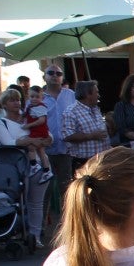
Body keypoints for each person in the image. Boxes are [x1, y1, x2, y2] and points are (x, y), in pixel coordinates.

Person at [0, 88, 55, 246]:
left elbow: (48, 136)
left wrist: (36, 141)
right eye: (12, 100)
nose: (16, 103)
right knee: (20, 201)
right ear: (4, 104)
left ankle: (35, 236)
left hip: (40, 164)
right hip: (17, 169)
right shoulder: (1, 123)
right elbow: (9, 142)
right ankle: (16, 232)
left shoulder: (29, 117)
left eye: (18, 99)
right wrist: (33, 141)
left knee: (36, 202)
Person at [41, 65, 77, 209]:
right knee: (45, 191)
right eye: (51, 73)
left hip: (65, 150)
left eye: (58, 73)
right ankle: (40, 228)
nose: (55, 75)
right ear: (44, 76)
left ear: (62, 77)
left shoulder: (71, 95)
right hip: (44, 151)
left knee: (67, 190)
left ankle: (70, 226)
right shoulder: (38, 96)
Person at [63, 80, 113, 176]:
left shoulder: (95, 109)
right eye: (96, 92)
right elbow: (67, 136)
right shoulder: (71, 112)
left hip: (101, 161)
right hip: (84, 164)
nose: (99, 95)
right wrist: (91, 136)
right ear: (88, 94)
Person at [23, 85, 54, 181]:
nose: (34, 99)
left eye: (37, 97)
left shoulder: (41, 107)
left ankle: (34, 164)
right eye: (32, 97)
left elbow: (41, 120)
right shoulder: (30, 107)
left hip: (39, 131)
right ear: (28, 96)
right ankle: (46, 170)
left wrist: (28, 125)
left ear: (42, 98)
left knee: (30, 147)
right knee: (41, 152)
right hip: (36, 131)